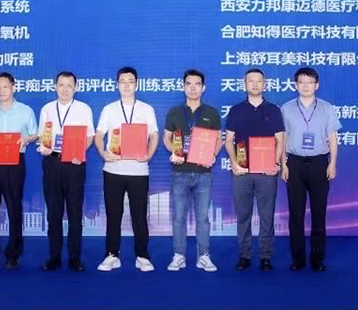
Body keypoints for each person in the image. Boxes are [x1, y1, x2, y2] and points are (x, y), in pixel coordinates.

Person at [95, 66, 159, 272]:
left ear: (137, 84)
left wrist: (148, 155)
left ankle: (142, 256)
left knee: (139, 215)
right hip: (113, 170)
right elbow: (98, 135)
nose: (126, 85)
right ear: (117, 85)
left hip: (138, 171)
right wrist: (104, 153)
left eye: (130, 81)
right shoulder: (109, 109)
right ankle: (112, 255)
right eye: (122, 82)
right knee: (113, 214)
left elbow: (154, 135)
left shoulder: (146, 109)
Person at [281, 67, 341, 272]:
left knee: (319, 212)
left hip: (319, 163)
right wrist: (283, 164)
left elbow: (332, 138)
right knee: (295, 214)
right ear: (295, 85)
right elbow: (282, 139)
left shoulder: (327, 108)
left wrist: (332, 163)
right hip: (294, 163)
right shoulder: (286, 108)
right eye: (301, 82)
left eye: (309, 82)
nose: (305, 86)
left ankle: (317, 259)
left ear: (317, 85)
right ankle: (297, 259)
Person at [224, 68, 285, 272]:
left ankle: (266, 256)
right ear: (245, 84)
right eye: (251, 81)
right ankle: (244, 255)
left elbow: (280, 140)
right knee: (243, 216)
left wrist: (275, 163)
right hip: (242, 172)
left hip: (267, 173)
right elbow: (229, 140)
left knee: (267, 216)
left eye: (259, 81)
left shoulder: (274, 110)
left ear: (264, 84)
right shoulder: (236, 110)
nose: (255, 84)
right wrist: (234, 163)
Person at [163, 69, 222, 272]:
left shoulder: (211, 112)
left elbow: (219, 139)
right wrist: (174, 151)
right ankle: (178, 255)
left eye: (197, 84)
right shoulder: (174, 112)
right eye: (188, 84)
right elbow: (166, 138)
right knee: (179, 216)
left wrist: (212, 156)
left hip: (203, 173)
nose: (193, 88)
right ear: (183, 87)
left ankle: (203, 255)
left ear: (203, 88)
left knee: (203, 218)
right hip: (180, 172)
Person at [0, 72, 37, 271]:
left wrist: (26, 139)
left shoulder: (25, 111)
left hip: (14, 164)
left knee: (14, 209)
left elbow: (35, 134)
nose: (2, 91)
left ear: (14, 88)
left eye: (6, 87)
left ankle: (14, 254)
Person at [36, 71, 95, 272]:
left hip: (75, 164)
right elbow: (42, 135)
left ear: (75, 88)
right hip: (52, 162)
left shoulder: (83, 109)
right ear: (55, 87)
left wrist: (80, 152)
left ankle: (74, 257)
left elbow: (89, 136)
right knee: (53, 212)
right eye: (61, 85)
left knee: (75, 212)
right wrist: (43, 146)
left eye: (69, 85)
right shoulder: (47, 109)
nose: (65, 89)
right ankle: (54, 256)